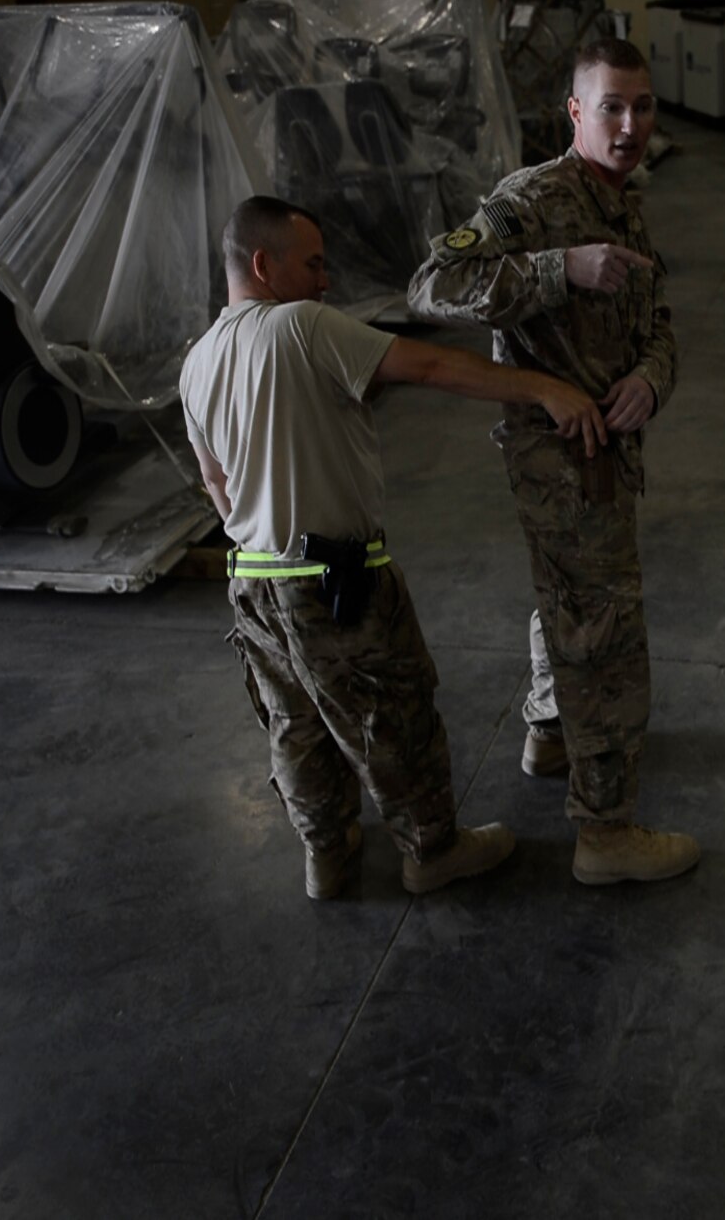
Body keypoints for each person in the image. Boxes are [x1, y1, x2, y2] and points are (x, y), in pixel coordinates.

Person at [183, 195, 609, 900]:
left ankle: (327, 853)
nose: (325, 282)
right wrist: (542, 387)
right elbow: (431, 368)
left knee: (297, 727)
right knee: (393, 711)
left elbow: (215, 484)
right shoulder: (301, 327)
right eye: (314, 264)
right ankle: (432, 849)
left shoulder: (198, 362)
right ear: (263, 264)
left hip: (252, 583)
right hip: (331, 577)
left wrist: (266, 518)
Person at [406, 38, 700, 887]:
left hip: (612, 448)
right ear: (575, 111)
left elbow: (661, 322)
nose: (630, 124)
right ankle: (605, 831)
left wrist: (650, 377)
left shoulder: (624, 202)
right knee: (606, 633)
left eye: (643, 106)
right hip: (557, 456)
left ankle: (546, 725)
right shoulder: (533, 199)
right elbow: (430, 285)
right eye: (611, 106)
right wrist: (555, 270)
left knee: (568, 600)